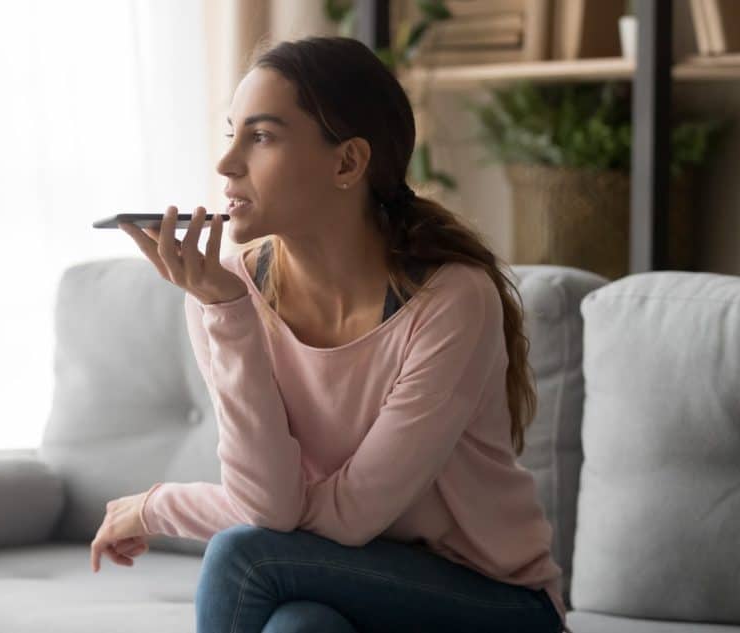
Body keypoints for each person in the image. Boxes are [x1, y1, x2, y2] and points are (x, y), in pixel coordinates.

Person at [94, 35, 569, 633]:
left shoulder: (449, 301)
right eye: (230, 133)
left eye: (261, 136)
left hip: (493, 604)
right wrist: (227, 310)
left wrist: (158, 506)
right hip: (343, 579)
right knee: (300, 627)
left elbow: (347, 517)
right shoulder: (228, 290)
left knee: (242, 557)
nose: (226, 163)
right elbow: (267, 504)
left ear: (347, 163)